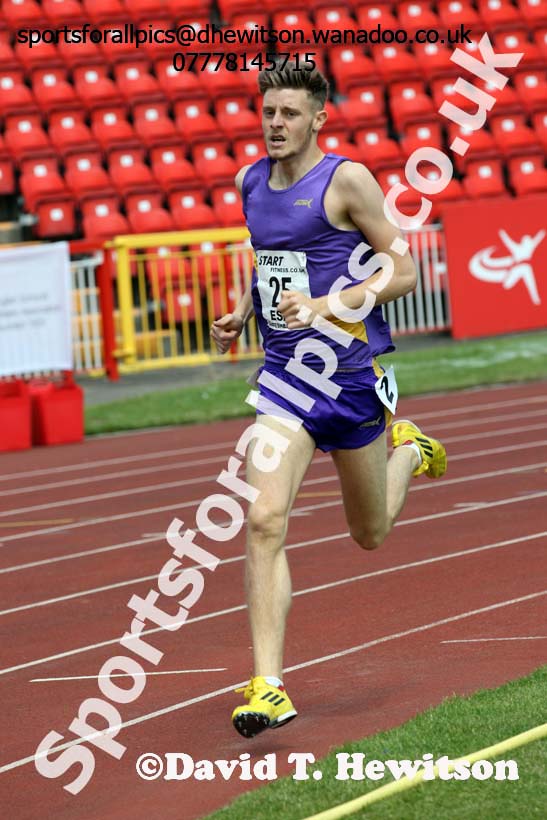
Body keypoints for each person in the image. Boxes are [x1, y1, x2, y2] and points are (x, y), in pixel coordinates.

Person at [210, 61, 447, 739]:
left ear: (317, 118)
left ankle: (407, 448)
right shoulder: (248, 181)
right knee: (261, 517)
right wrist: (241, 311)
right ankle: (268, 685)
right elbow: (266, 258)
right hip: (286, 382)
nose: (274, 125)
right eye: (267, 113)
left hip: (348, 377)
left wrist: (325, 304)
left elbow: (403, 269)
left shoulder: (346, 181)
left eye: (288, 114)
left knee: (369, 534)